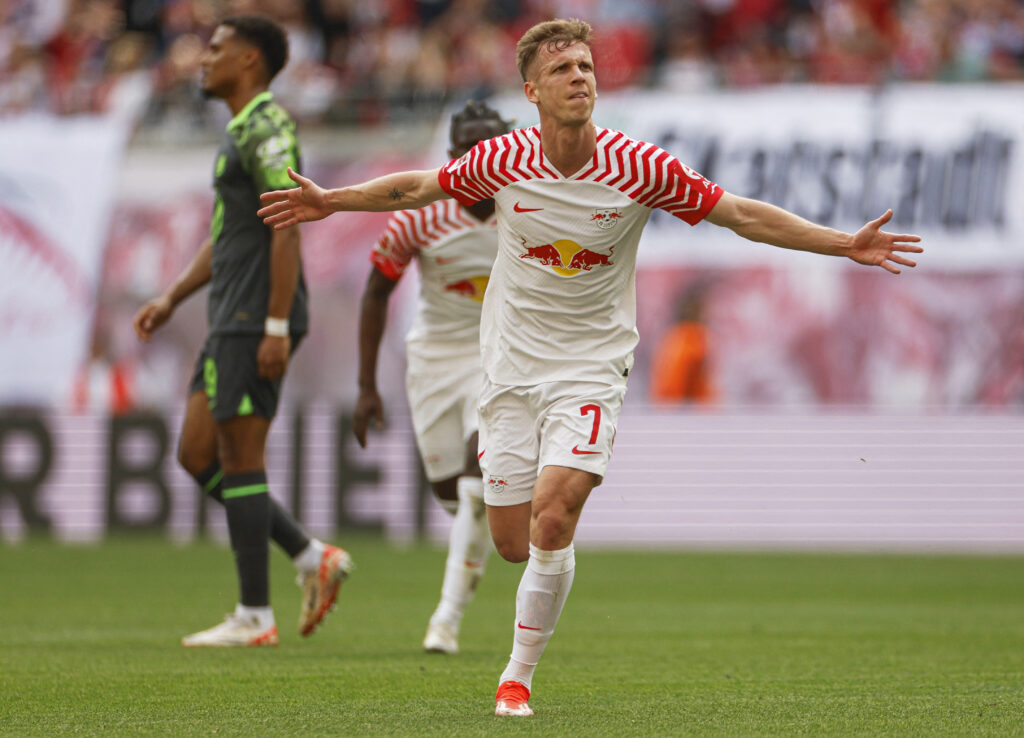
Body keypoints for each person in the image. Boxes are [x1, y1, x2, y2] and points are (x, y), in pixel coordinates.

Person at [257, 18, 922, 714]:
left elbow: (741, 215)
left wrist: (842, 243)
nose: (580, 77)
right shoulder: (503, 159)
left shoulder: (641, 165)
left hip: (593, 366)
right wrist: (330, 201)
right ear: (532, 91)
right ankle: (515, 595)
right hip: (511, 367)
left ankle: (516, 677)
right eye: (563, 69)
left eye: (585, 66)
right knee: (513, 542)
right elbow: (418, 187)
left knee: (557, 511)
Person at [133, 15, 352, 648]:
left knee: (239, 457)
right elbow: (231, 232)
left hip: (254, 314)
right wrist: (172, 296)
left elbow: (286, 225)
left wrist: (276, 324)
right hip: (229, 310)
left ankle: (255, 614)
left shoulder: (268, 126)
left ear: (250, 60)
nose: (203, 58)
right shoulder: (241, 131)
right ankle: (311, 556)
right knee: (196, 454)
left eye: (218, 48)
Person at [353, 101, 512, 655]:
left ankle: (445, 619)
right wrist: (366, 385)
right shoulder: (419, 215)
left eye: (491, 145)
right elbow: (376, 293)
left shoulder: (529, 205)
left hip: (501, 360)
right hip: (435, 361)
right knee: (455, 499)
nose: (481, 157)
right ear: (452, 157)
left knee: (475, 491)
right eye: (469, 147)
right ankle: (496, 521)